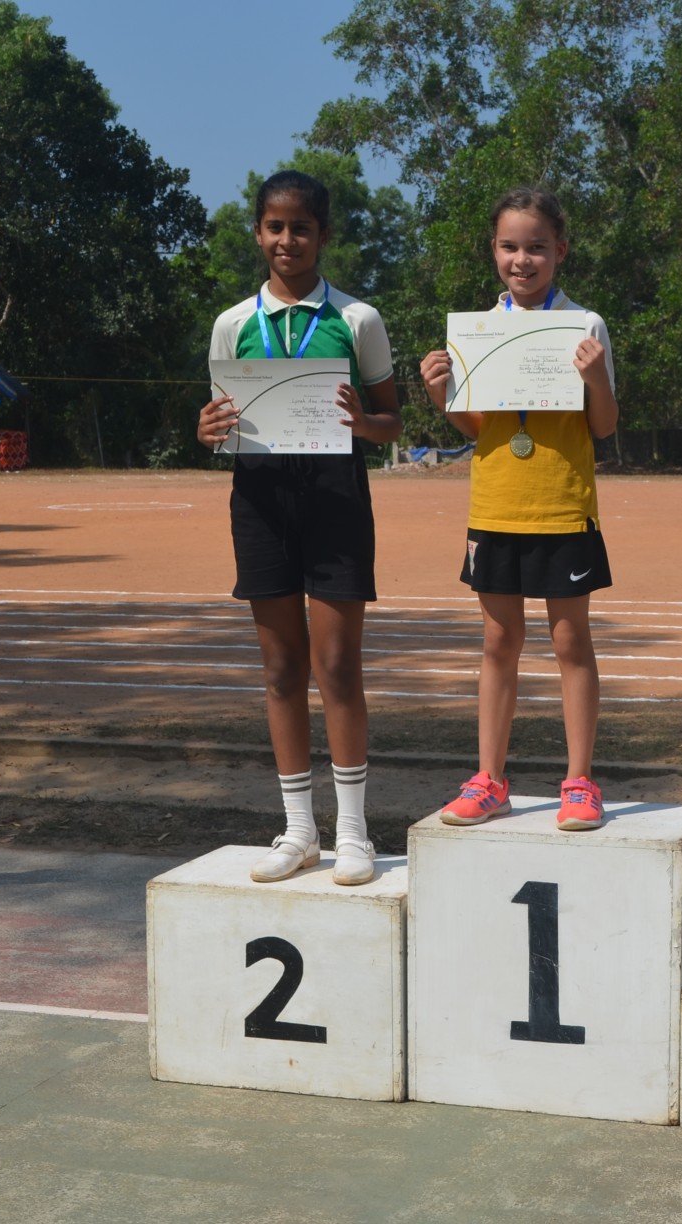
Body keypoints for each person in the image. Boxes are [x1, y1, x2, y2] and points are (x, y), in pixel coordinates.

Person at [196, 170, 402, 887]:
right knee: (282, 669)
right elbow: (222, 422)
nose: (288, 240)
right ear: (258, 233)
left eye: (302, 227)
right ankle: (297, 831)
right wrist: (207, 430)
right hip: (258, 497)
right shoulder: (231, 323)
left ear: (324, 235)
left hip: (336, 496)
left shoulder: (357, 319)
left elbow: (391, 419)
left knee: (338, 666)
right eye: (275, 227)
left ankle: (353, 832)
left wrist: (361, 422)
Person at [419, 187, 619, 832]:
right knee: (499, 641)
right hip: (497, 503)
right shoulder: (480, 328)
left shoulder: (585, 325)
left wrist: (594, 379)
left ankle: (581, 781)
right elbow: (478, 430)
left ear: (560, 251)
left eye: (537, 247)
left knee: (570, 642)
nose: (522, 259)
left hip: (562, 505)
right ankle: (490, 781)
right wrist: (442, 394)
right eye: (510, 246)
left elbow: (605, 425)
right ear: (494, 252)